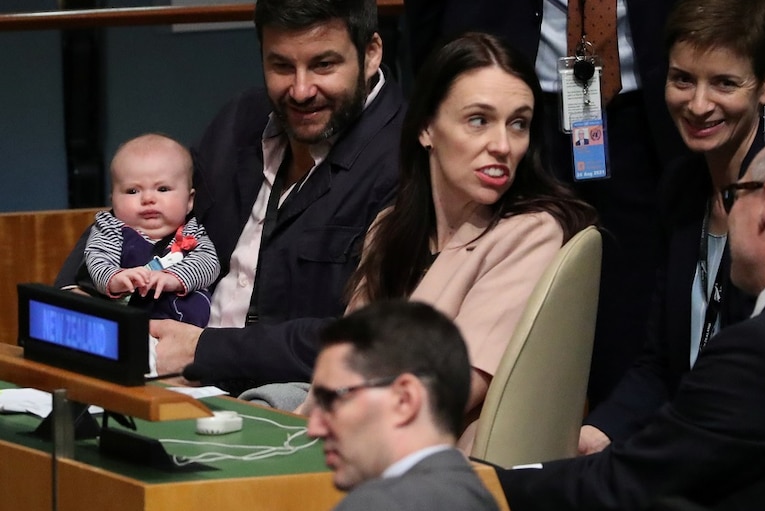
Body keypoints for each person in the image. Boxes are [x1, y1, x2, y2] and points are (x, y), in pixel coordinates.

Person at [398, 0, 764, 404]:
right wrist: (441, 90)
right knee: (499, 308)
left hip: (645, 114)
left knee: (634, 325)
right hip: (509, 107)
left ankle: (611, 444)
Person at [225, 31, 597, 448]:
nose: (502, 145)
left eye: (518, 124)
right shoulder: (390, 227)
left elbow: (446, 393)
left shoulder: (531, 231)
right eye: (479, 121)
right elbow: (342, 367)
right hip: (356, 449)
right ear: (426, 129)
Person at [55, 0, 405, 390]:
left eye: (323, 64)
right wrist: (81, 292)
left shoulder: (405, 162)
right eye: (281, 65)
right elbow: (153, 209)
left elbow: (372, 343)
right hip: (166, 366)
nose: (300, 90)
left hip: (283, 396)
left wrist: (202, 350)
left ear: (371, 53)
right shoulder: (242, 118)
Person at [497, 125, 765, 510]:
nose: (729, 210)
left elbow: (626, 483)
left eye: (734, 195)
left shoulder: (762, 351)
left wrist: (488, 484)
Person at [578, 0, 765, 454]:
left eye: (724, 83)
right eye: (682, 79)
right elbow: (657, 364)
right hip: (686, 445)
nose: (697, 104)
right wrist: (596, 433)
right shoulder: (680, 186)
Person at [307, 299, 500, 511]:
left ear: (404, 400)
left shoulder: (378, 505)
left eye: (332, 399)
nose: (314, 428)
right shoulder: (478, 496)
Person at [82, 133, 220, 327]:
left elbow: (209, 263)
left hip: (185, 328)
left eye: (162, 189)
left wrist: (174, 278)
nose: (148, 199)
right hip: (129, 322)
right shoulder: (110, 228)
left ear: (189, 201)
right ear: (112, 200)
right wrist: (115, 278)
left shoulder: (191, 231)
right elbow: (97, 258)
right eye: (132, 191)